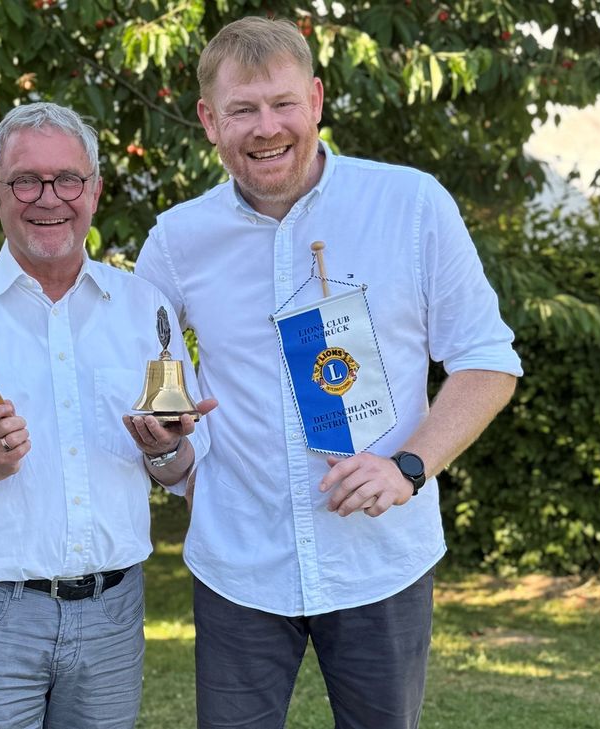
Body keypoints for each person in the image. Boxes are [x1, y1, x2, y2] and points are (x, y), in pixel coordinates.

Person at [134, 16, 522, 729]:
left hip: (381, 560)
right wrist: (170, 449)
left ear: (315, 100)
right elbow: (160, 395)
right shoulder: (174, 242)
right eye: (241, 110)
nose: (265, 127)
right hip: (239, 564)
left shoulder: (410, 205)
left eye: (281, 103)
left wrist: (408, 465)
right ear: (207, 121)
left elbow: (486, 360)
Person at [0, 102, 212, 729]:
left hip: (113, 615)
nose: (48, 197)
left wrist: (164, 449)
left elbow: (184, 471)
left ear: (95, 191)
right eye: (25, 181)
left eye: (68, 179)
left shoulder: (144, 310)